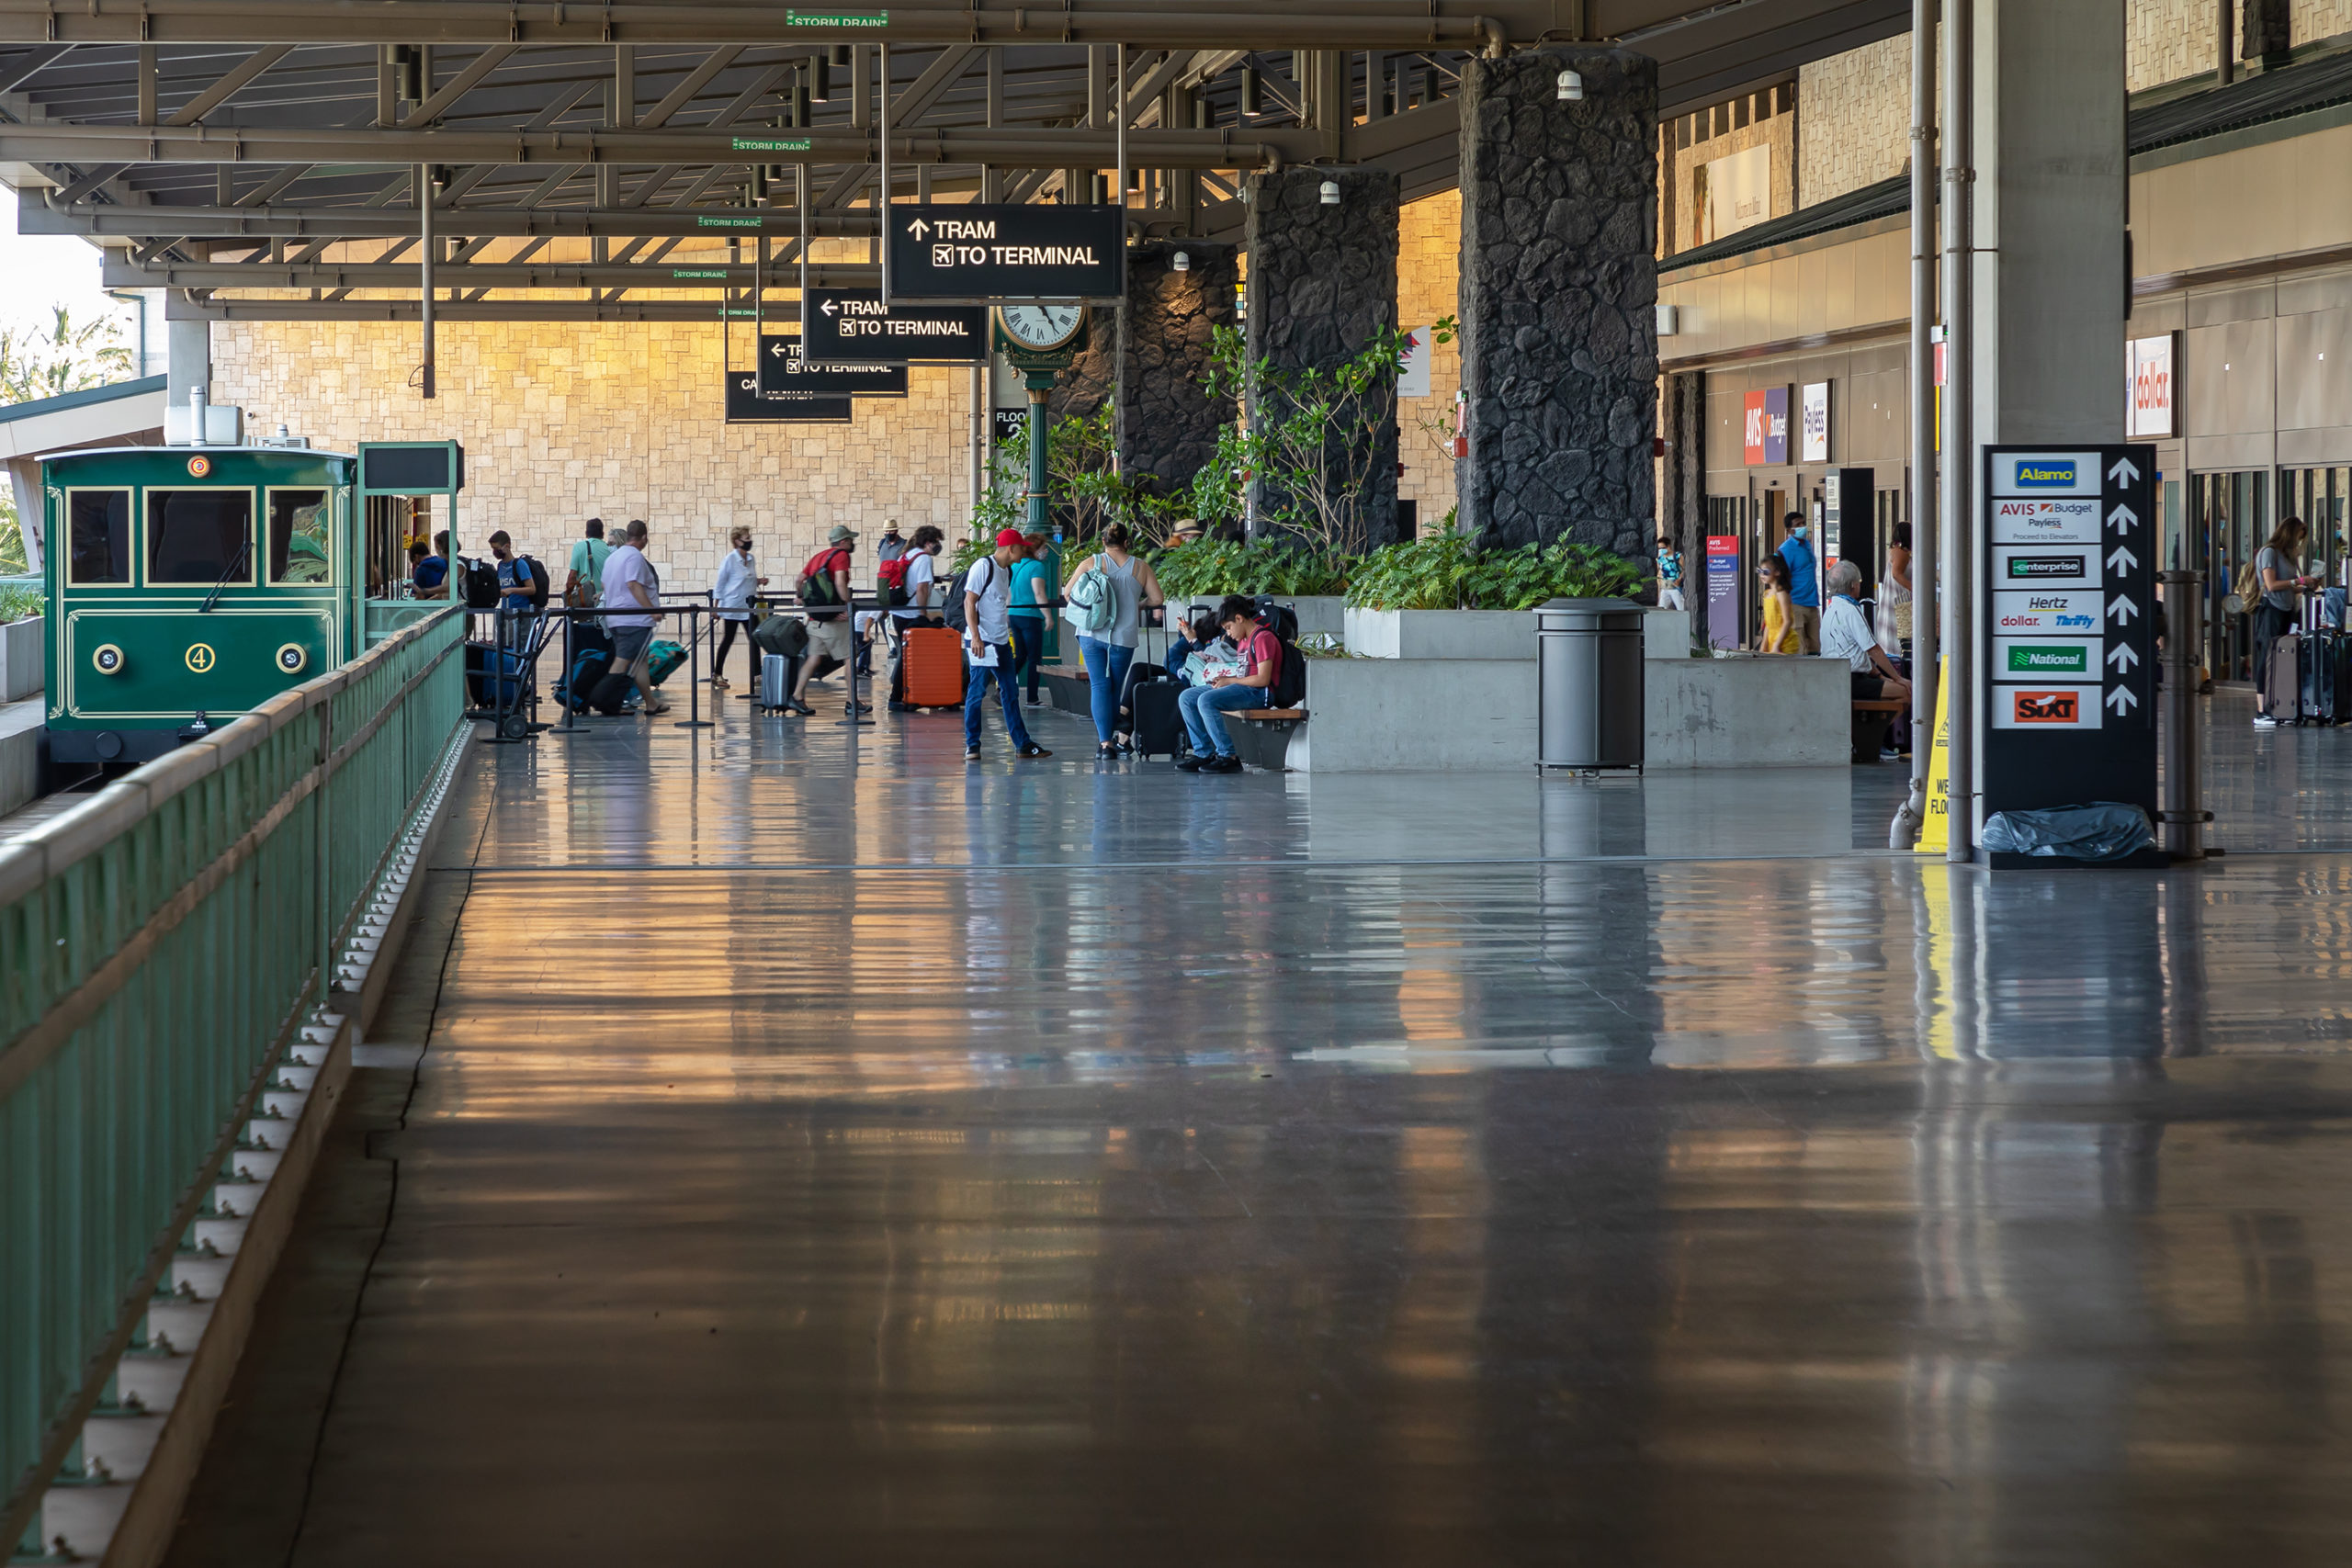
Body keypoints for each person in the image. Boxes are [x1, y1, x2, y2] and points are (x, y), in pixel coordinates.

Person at [1066, 523, 1165, 759]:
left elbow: (1068, 593)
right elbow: (1157, 598)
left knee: (1099, 686)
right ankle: (1111, 738)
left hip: (1091, 633)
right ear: (1127, 542)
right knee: (1115, 686)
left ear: (1103, 542)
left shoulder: (1091, 562)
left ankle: (1105, 744)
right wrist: (1138, 605)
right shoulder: (1140, 567)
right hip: (1123, 637)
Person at [962, 529, 1052, 761]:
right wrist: (976, 637)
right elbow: (969, 602)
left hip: (1001, 642)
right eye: (1021, 547)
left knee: (1009, 693)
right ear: (1011, 549)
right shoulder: (983, 567)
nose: (1025, 550)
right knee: (977, 691)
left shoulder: (1007, 571)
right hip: (982, 642)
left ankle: (1022, 744)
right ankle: (972, 744)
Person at [1176, 595, 1280, 773]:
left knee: (1206, 701)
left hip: (1259, 693)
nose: (1228, 633)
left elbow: (1263, 679)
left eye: (1228, 627)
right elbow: (1243, 672)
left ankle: (1228, 756)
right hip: (1242, 687)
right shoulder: (1243, 641)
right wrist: (1222, 678)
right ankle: (1203, 753)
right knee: (1187, 697)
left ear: (1239, 618)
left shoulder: (1262, 638)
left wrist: (1229, 681)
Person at [1823, 560, 1911, 759]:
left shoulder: (1830, 611)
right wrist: (1897, 679)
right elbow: (1874, 650)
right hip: (1853, 680)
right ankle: (1872, 738)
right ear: (1853, 585)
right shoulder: (1851, 611)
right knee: (1907, 692)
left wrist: (1880, 677)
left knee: (1898, 690)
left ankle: (1867, 737)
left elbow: (1854, 653)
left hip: (1839, 678)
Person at [2254, 515, 2321, 728]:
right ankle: (2262, 709)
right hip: (2271, 609)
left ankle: (2280, 705)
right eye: (2297, 537)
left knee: (2284, 656)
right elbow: (2271, 584)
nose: (2298, 543)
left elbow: (2289, 585)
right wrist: (2300, 580)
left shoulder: (2288, 556)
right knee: (2267, 655)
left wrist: (2307, 585)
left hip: (2288, 609)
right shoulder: (2269, 553)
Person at [791, 525, 863, 717]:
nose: (852, 543)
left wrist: (800, 597)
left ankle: (797, 696)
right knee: (850, 657)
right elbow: (840, 582)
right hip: (833, 620)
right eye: (850, 540)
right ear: (843, 542)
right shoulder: (841, 555)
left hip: (815, 618)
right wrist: (847, 606)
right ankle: (852, 701)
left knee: (813, 658)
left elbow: (800, 579)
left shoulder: (819, 557)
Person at [600, 519, 670, 716]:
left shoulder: (613, 558)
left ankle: (651, 703)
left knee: (640, 661)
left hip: (615, 618)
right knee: (622, 661)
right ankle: (606, 701)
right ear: (644, 538)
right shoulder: (634, 557)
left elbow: (605, 586)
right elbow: (633, 584)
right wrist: (652, 610)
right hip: (633, 620)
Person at [711, 527, 766, 690]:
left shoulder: (751, 558)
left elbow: (746, 579)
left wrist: (758, 581)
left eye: (749, 537)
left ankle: (757, 674)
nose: (749, 541)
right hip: (732, 606)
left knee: (754, 639)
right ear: (737, 541)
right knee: (728, 639)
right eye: (746, 538)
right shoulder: (730, 560)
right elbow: (720, 584)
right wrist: (715, 607)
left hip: (749, 607)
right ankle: (717, 673)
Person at [1009, 528, 1053, 708]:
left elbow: (1009, 592)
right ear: (1035, 549)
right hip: (1030, 616)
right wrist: (1048, 616)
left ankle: (1003, 687)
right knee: (1034, 658)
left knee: (1020, 655)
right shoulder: (1037, 567)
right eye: (1043, 547)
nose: (1046, 551)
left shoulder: (1015, 565)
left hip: (1014, 614)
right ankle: (1032, 698)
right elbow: (1039, 592)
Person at [1778, 513, 1822, 653]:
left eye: (1803, 523)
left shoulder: (1807, 545)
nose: (1802, 527)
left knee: (1816, 648)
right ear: (1789, 530)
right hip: (1795, 604)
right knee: (1800, 650)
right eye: (1798, 525)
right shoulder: (1785, 550)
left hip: (1812, 603)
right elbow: (1780, 579)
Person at [488, 530, 537, 648]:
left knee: (521, 647)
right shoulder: (500, 566)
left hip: (521, 614)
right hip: (506, 613)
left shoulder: (519, 564)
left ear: (507, 546)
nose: (495, 552)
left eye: (497, 548)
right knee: (505, 646)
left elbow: (531, 588)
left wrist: (511, 590)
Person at [1876, 522, 1914, 657]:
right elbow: (1896, 574)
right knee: (1898, 638)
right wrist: (1915, 590)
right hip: (1899, 602)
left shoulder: (1895, 551)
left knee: (1891, 637)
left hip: (1892, 601)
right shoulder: (1901, 553)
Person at [563, 517, 611, 609]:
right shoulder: (608, 548)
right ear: (602, 533)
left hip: (585, 599)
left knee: (583, 622)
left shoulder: (579, 547)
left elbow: (572, 575)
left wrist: (568, 597)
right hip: (605, 599)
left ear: (586, 533)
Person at [1757, 556, 1800, 654]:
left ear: (1777, 572)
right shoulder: (1767, 593)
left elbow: (1787, 621)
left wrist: (1776, 645)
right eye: (1759, 571)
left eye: (1766, 571)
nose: (1762, 574)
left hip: (1786, 643)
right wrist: (1764, 645)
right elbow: (1768, 623)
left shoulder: (1781, 593)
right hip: (1773, 641)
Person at [413, 531, 449, 599]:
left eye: (437, 547)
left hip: (431, 606)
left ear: (416, 556)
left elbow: (420, 597)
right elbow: (442, 592)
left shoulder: (421, 569)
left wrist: (423, 591)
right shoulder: (445, 562)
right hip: (446, 603)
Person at [1657, 535, 1686, 611]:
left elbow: (1684, 569)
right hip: (1665, 587)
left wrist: (1679, 579)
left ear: (1668, 546)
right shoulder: (1661, 558)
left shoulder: (1677, 556)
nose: (1661, 550)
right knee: (1661, 609)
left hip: (1675, 586)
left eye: (1663, 548)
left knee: (1681, 609)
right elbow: (1660, 571)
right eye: (1659, 548)